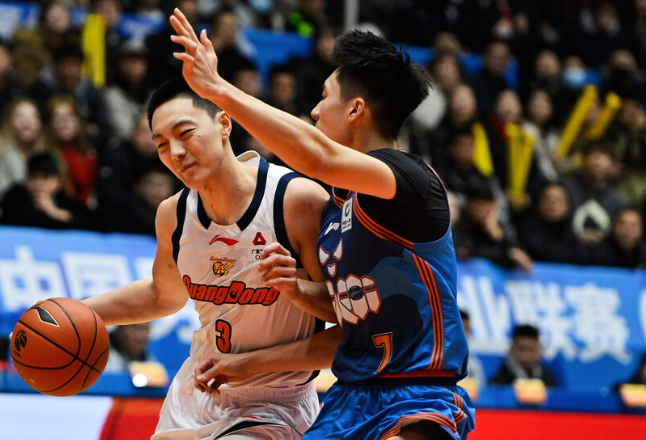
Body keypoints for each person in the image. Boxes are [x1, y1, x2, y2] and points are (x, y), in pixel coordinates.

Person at [169, 10, 474, 439]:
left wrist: (216, 89)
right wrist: (294, 292)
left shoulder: (409, 180)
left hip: (417, 398)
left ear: (355, 109)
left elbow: (317, 157)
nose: (313, 110)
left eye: (323, 97)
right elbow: (347, 322)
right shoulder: (336, 208)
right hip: (350, 399)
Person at [84, 79, 339, 439]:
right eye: (161, 145)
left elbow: (349, 321)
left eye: (185, 133)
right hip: (196, 393)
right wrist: (75, 312)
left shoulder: (296, 200)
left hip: (274, 403)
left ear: (224, 124)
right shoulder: (173, 214)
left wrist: (294, 293)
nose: (175, 152)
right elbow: (163, 295)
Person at [489, 324, 558, 387]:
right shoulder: (498, 383)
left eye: (531, 349)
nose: (526, 355)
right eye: (521, 349)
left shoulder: (548, 380)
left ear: (539, 350)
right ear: (511, 349)